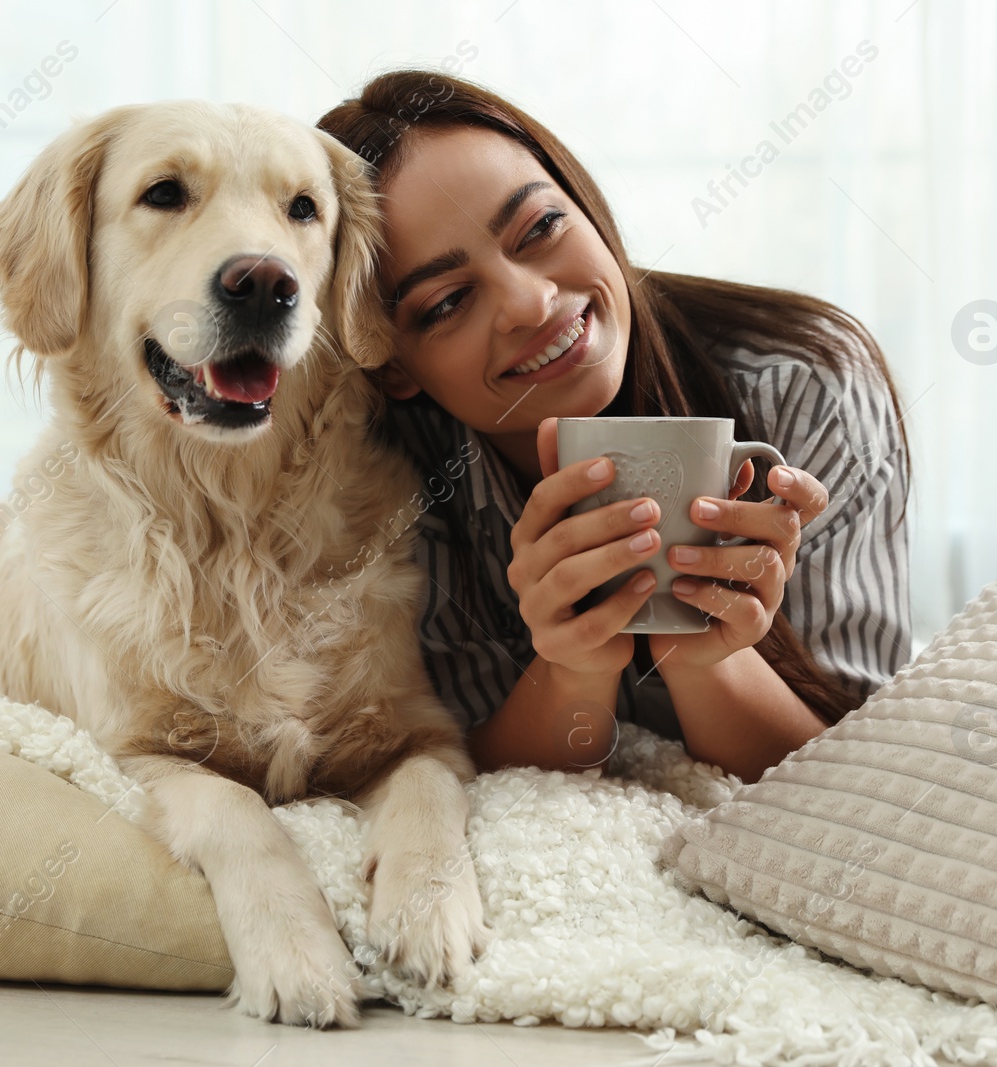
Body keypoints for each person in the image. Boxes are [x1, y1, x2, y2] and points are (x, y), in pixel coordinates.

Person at [316, 71, 912, 785]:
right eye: (447, 302)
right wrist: (571, 666)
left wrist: (705, 657)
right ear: (391, 366)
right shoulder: (383, 487)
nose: (532, 302)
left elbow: (872, 785)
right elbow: (456, 780)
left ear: (587, 204)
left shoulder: (803, 385)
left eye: (540, 227)